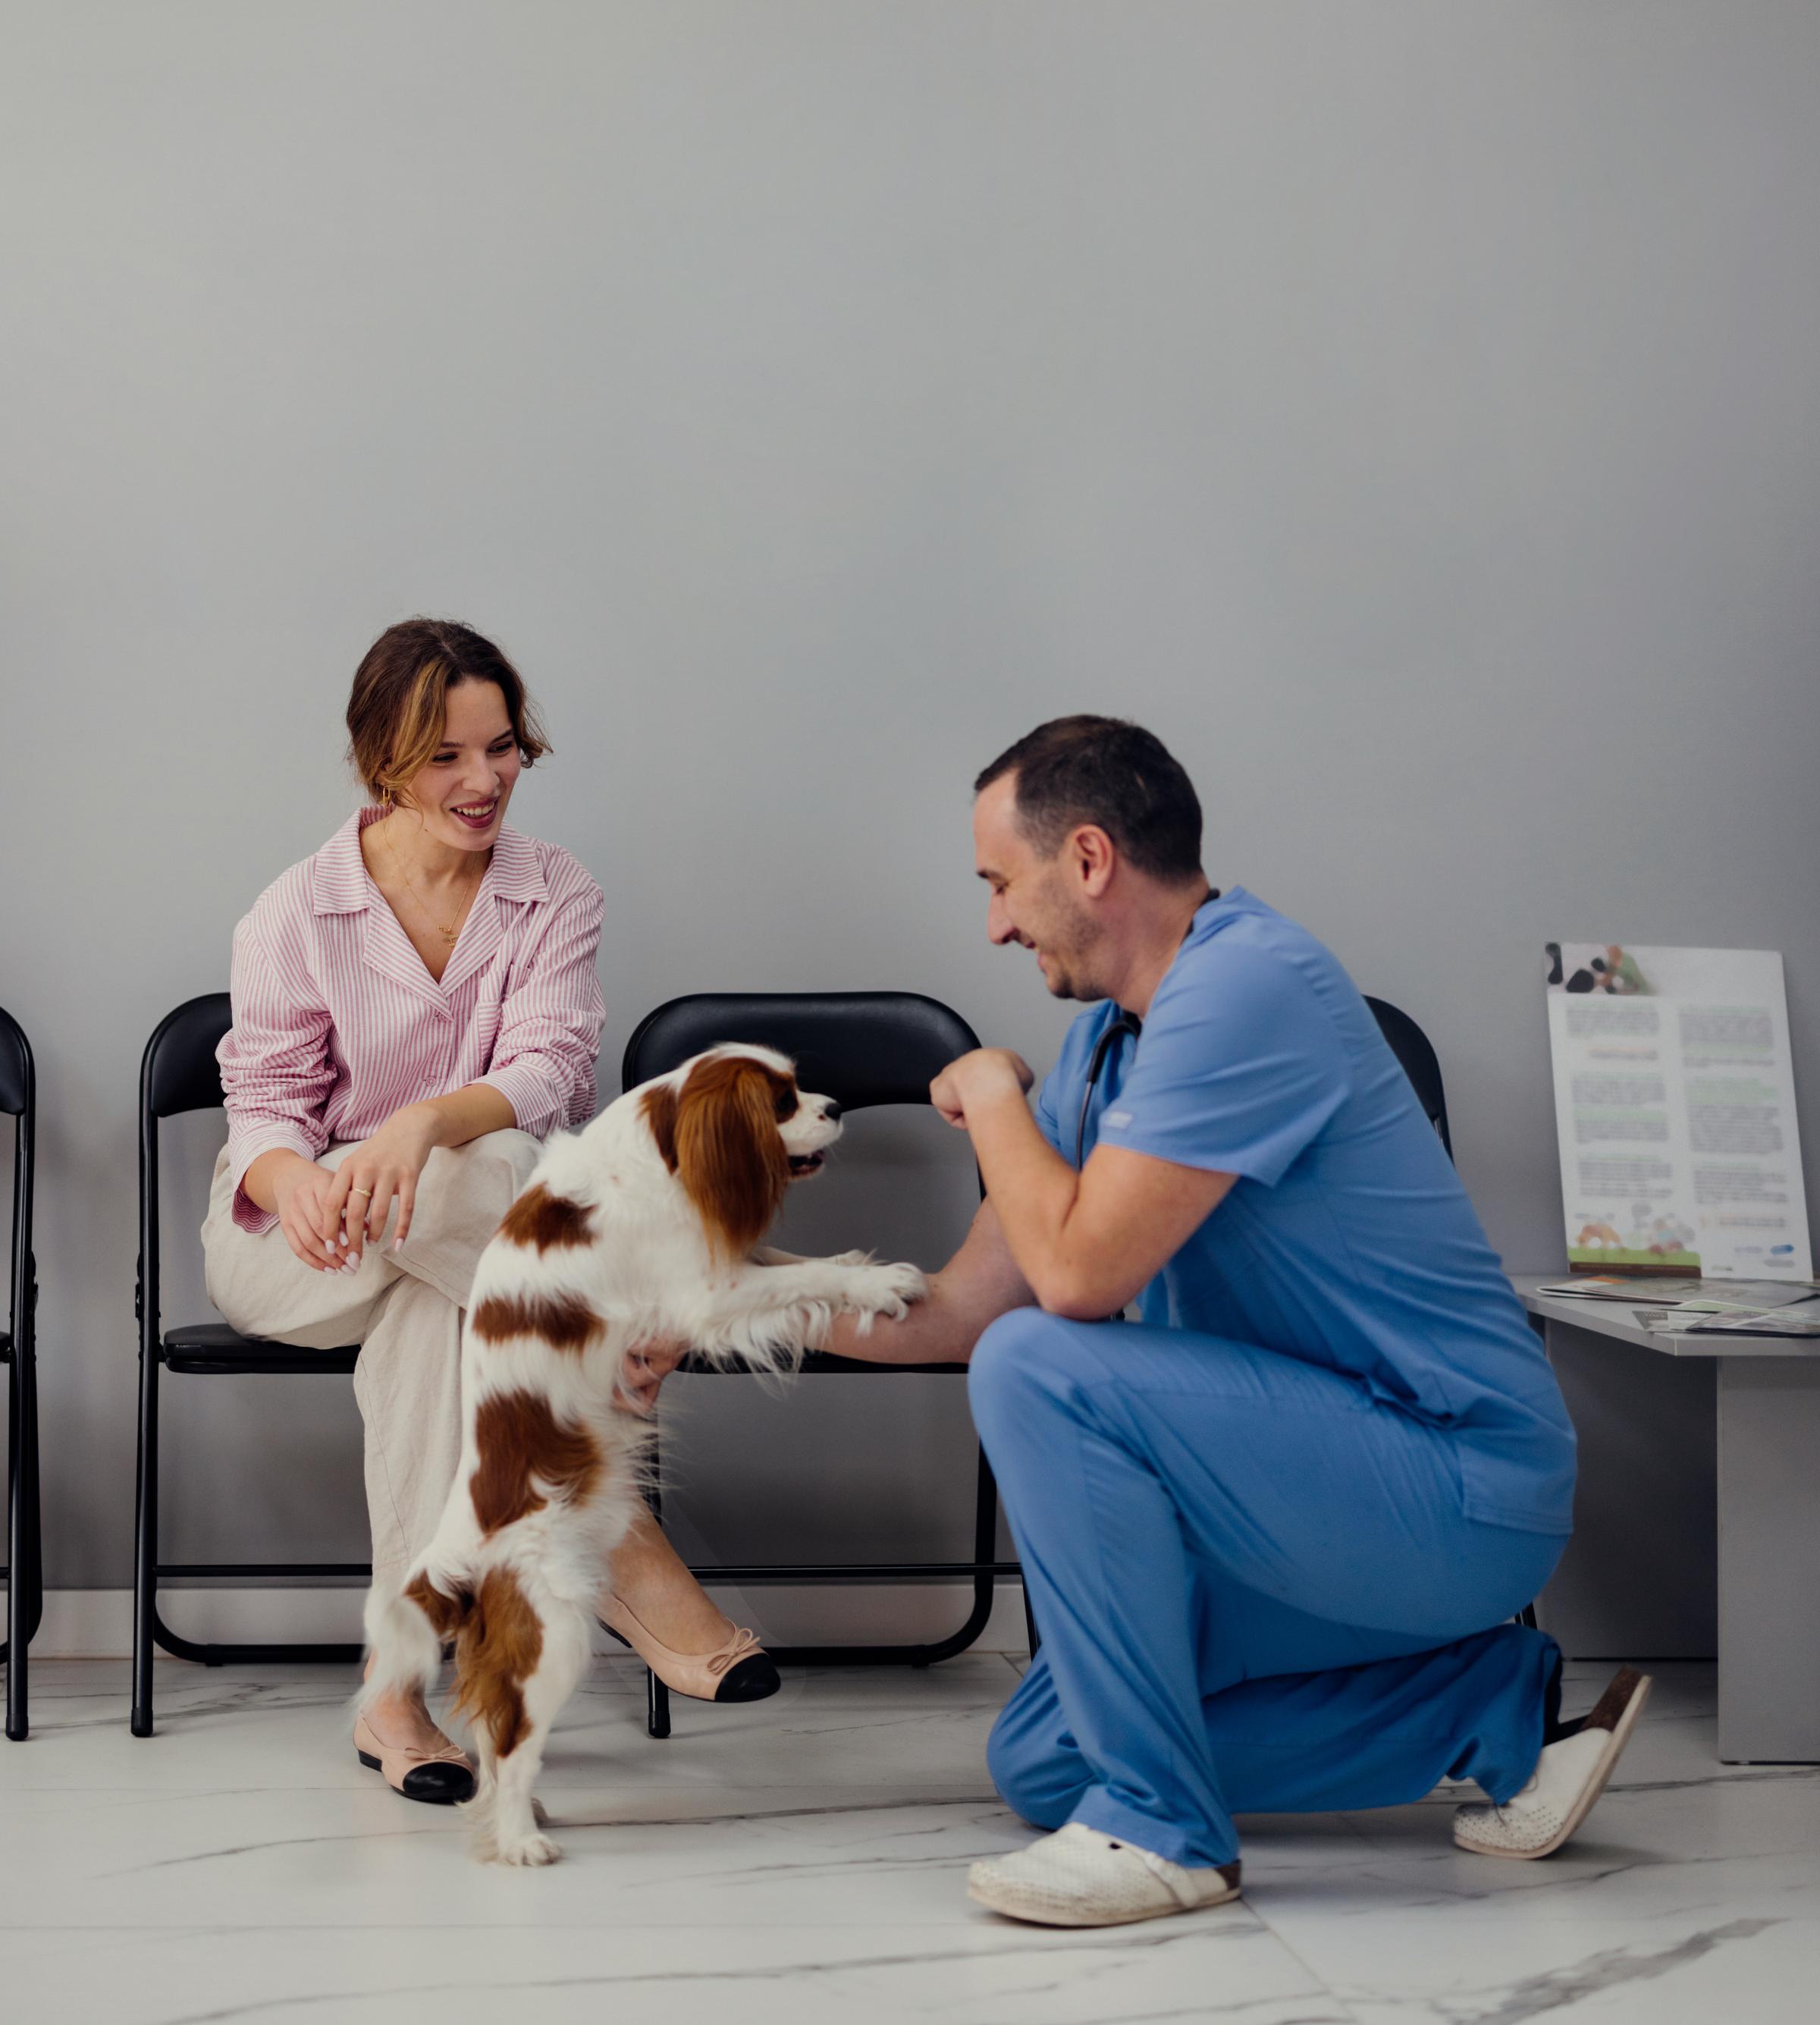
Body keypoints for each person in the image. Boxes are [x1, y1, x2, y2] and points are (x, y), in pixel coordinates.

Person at [817, 717, 1640, 1928]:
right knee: (1043, 1761)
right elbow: (955, 1307)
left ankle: (1167, 1832)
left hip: (1457, 1476)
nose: (995, 923)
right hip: (1306, 1486)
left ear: (1088, 859)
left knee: (1046, 1363)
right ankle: (1497, 1709)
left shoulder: (1250, 985)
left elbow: (1076, 1285)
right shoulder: (1104, 1038)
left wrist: (992, 1094)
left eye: (1001, 883)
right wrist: (728, 1302)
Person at [203, 616, 776, 1810]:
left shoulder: (553, 890)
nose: (484, 781)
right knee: (481, 1181)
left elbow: (552, 1066)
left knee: (448, 1288)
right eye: (447, 757)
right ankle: (608, 1522)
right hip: (295, 1240)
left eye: (502, 747)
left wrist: (413, 1125)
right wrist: (300, 1177)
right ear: (383, 762)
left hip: (451, 1237)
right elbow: (259, 1108)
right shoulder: (296, 910)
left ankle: (393, 1695)